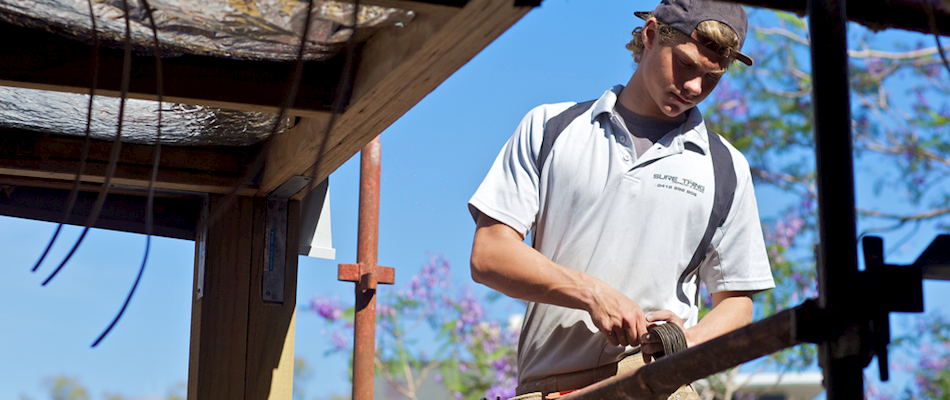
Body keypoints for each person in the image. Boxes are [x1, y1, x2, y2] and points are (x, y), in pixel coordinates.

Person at [467, 0, 776, 398]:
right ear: (651, 34)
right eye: (685, 64)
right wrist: (592, 293)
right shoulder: (550, 128)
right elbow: (490, 255)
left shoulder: (726, 167)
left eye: (712, 77)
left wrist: (687, 342)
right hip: (548, 389)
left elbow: (737, 304)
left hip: (659, 387)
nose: (695, 88)